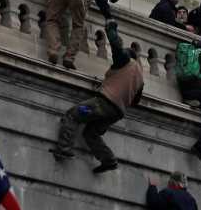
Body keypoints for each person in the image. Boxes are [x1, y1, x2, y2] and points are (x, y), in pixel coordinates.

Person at [51, 21, 143, 174]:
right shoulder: (140, 78)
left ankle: (64, 149)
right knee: (91, 133)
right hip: (116, 113)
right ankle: (109, 160)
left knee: (73, 115)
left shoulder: (126, 61)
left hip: (103, 104)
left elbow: (115, 46)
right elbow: (135, 101)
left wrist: (111, 28)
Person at [40, 0, 114, 69]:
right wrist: (109, 17)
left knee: (52, 20)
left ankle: (53, 51)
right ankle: (69, 58)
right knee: (78, 26)